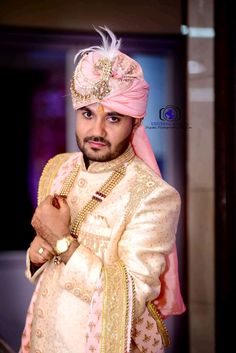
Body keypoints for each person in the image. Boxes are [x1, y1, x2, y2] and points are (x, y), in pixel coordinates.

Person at [19, 26, 185, 353]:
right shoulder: (59, 169)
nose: (96, 130)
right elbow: (41, 266)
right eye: (87, 114)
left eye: (113, 118)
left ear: (135, 124)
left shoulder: (154, 195)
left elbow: (132, 297)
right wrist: (39, 251)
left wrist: (63, 242)